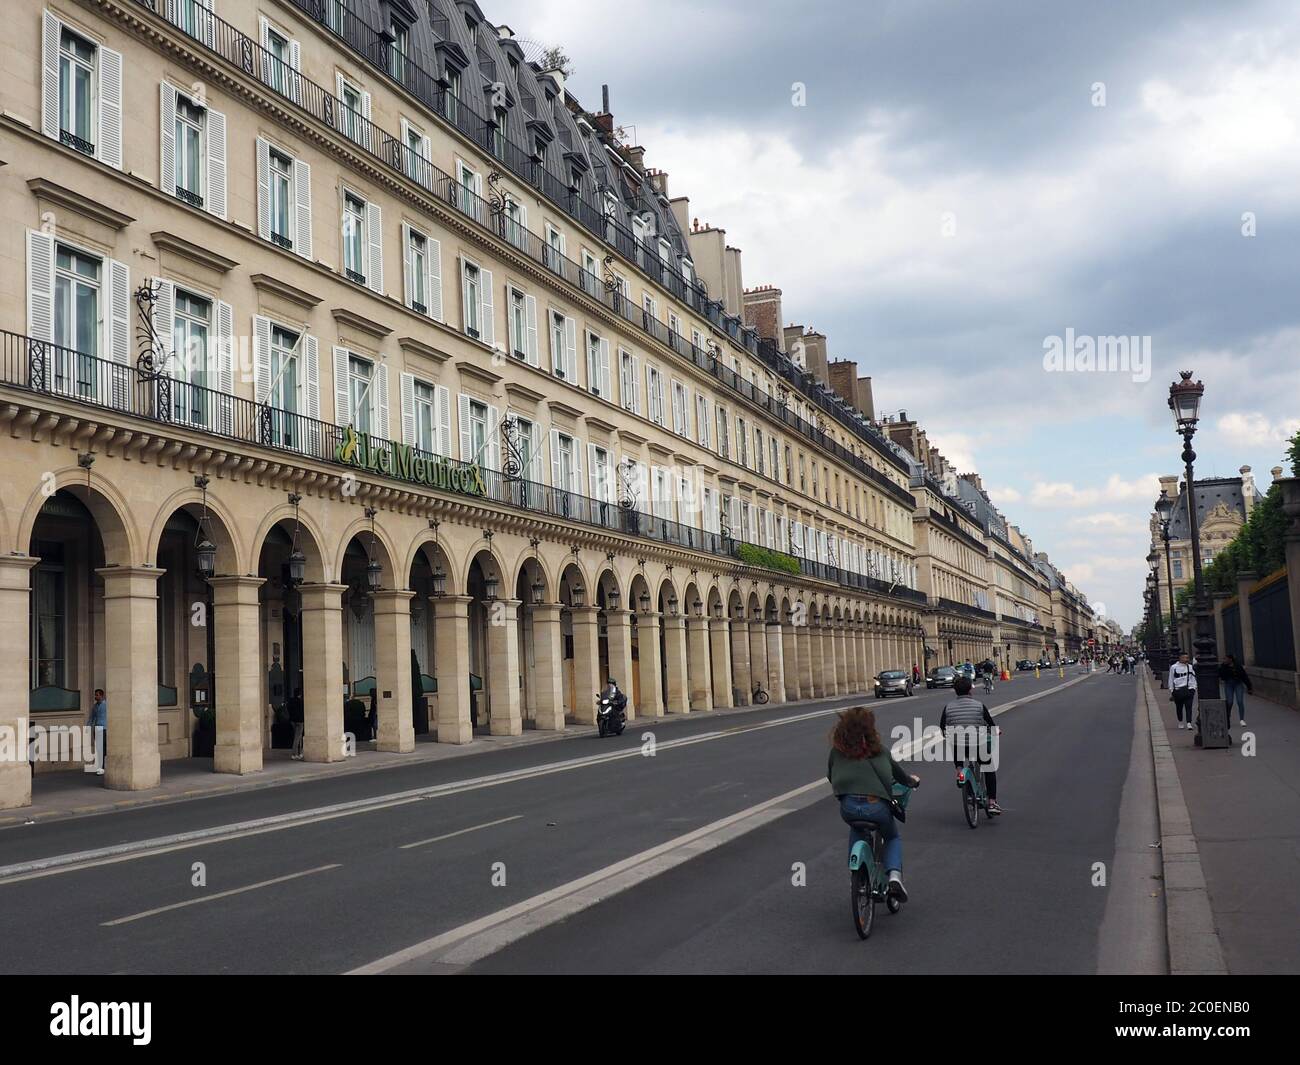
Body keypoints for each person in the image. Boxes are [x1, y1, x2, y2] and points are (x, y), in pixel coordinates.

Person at [827, 706, 919, 901]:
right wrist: (913, 781)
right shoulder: (880, 751)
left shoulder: (837, 751)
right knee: (892, 837)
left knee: (856, 829)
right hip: (876, 806)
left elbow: (831, 776)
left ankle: (856, 878)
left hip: (849, 807)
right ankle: (894, 876)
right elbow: (901, 777)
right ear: (870, 730)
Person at [940, 676, 1001, 814]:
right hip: (978, 744)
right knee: (989, 767)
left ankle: (959, 771)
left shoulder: (948, 707)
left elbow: (943, 727)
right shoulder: (979, 705)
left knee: (955, 746)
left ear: (956, 692)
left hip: (958, 747)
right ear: (970, 691)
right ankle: (992, 802)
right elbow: (991, 724)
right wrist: (996, 731)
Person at [1218, 655, 1253, 727]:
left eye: (1226, 659)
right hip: (1228, 684)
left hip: (1238, 684)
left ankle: (1242, 719)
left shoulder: (1238, 666)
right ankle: (1227, 717)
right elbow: (1221, 676)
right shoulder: (1223, 667)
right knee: (1229, 702)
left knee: (1240, 701)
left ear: (1230, 659)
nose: (1224, 660)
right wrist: (1223, 667)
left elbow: (1244, 676)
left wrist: (1249, 687)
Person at [1167, 652, 1197, 730]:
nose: (1186, 659)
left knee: (1189, 706)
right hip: (1178, 690)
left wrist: (1193, 688)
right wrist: (1172, 690)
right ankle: (1180, 721)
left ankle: (1189, 722)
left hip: (1189, 689)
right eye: (1184, 657)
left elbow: (1193, 677)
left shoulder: (1190, 667)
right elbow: (1171, 679)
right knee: (1179, 707)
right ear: (1180, 658)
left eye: (1187, 657)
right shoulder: (1174, 667)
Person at [88, 688, 107, 776]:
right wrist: (88, 726)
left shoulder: (106, 705)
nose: (96, 696)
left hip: (105, 728)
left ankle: (102, 767)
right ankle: (101, 767)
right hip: (97, 729)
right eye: (95, 695)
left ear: (102, 696)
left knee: (104, 749)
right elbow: (92, 717)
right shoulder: (95, 706)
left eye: (97, 695)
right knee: (99, 749)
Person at [288, 686, 305, 759]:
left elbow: (289, 710)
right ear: (300, 694)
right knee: (297, 737)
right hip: (300, 721)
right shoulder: (300, 702)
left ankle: (299, 753)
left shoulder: (291, 701)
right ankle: (294, 753)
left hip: (293, 721)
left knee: (298, 736)